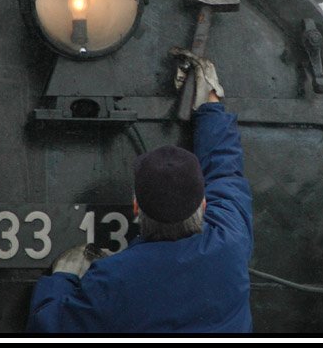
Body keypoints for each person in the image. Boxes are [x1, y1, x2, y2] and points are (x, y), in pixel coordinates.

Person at [26, 55, 253, 333]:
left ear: (136, 207)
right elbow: (225, 171)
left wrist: (62, 277)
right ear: (204, 202)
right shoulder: (231, 244)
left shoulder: (112, 278)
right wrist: (211, 105)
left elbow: (51, 326)